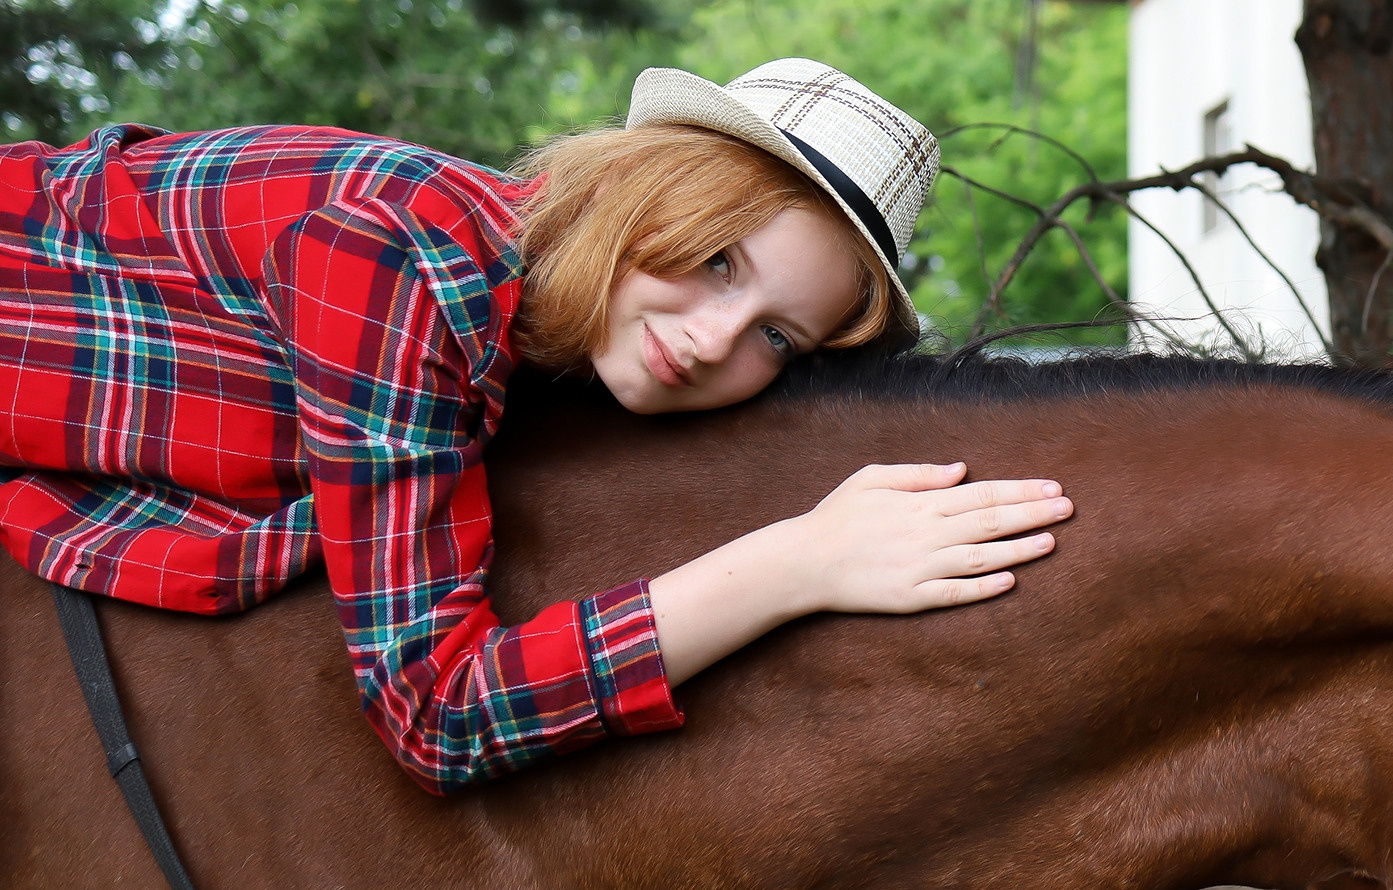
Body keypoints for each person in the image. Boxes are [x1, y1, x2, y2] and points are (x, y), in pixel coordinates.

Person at [0, 59, 1072, 793]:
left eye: (777, 339)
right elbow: (437, 712)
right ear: (639, 185)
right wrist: (801, 562)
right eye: (715, 261)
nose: (711, 341)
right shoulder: (410, 260)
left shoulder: (529, 343)